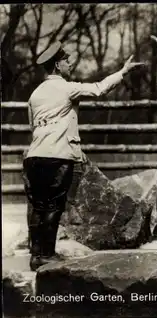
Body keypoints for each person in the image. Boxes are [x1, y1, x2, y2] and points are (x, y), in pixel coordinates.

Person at [22, 41, 145, 271]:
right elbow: (99, 88)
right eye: (67, 60)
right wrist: (123, 71)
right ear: (58, 65)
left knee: (39, 208)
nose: (70, 63)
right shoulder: (67, 88)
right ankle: (46, 255)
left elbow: (32, 127)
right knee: (54, 207)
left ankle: (36, 255)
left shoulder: (35, 94)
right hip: (57, 157)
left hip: (34, 156)